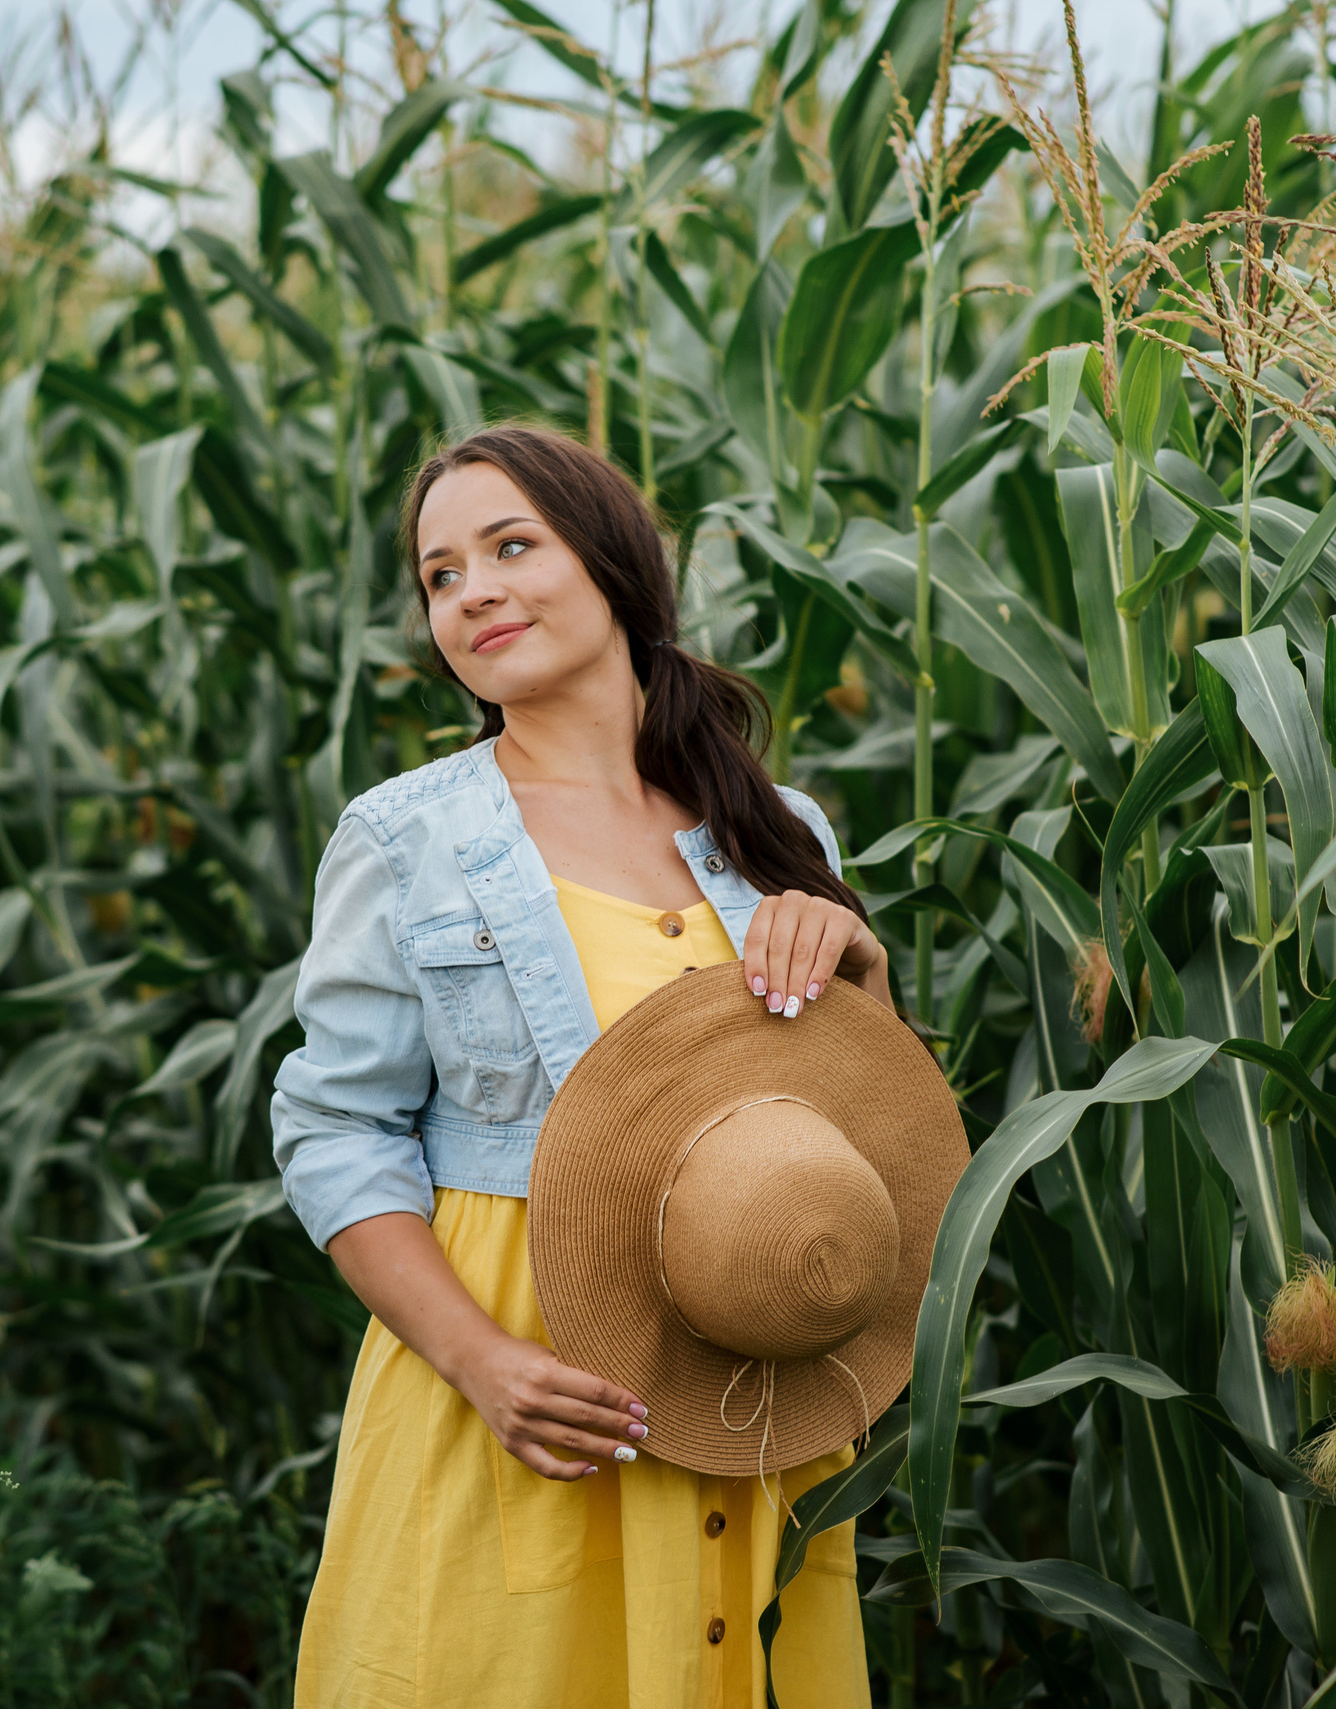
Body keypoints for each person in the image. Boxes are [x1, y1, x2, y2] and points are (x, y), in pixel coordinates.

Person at [272, 423, 895, 1708]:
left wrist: (860, 975)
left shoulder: (775, 826)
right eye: (441, 574)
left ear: (614, 566)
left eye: (511, 546)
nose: (474, 590)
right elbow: (337, 1131)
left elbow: (861, 1138)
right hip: (531, 1401)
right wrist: (482, 1364)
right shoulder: (408, 838)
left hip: (750, 1390)